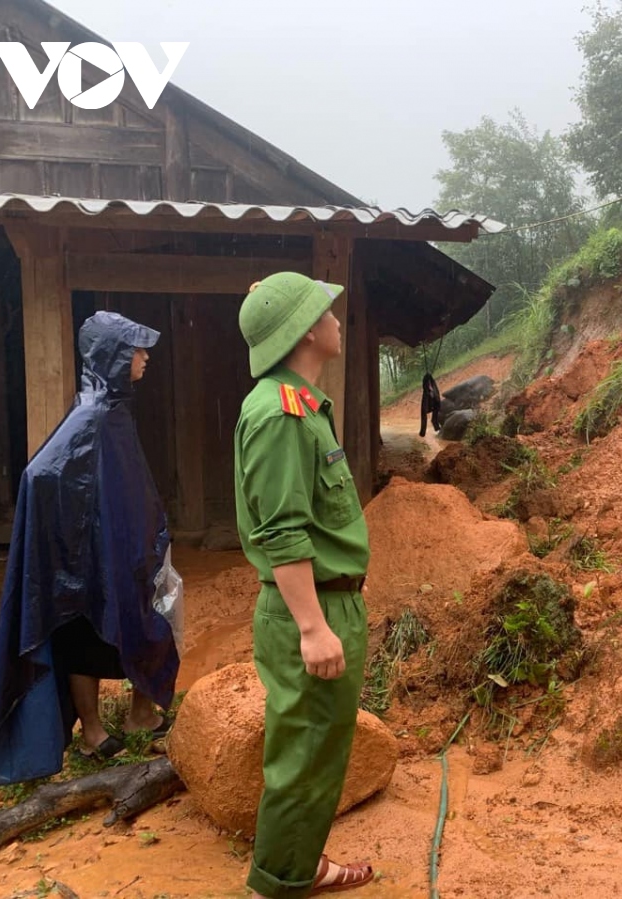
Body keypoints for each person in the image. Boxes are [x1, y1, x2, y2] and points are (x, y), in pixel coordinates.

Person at [0, 311, 178, 786]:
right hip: (86, 560)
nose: (145, 357)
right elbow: (41, 473)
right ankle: (91, 733)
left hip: (124, 552)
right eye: (136, 349)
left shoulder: (114, 410)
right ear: (113, 357)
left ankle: (142, 714)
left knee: (149, 621)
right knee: (84, 634)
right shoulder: (91, 414)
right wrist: (73, 536)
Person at [234, 272, 373, 896]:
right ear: (306, 332)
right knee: (303, 761)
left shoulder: (301, 405)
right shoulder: (283, 415)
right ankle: (281, 882)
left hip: (325, 601)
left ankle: (301, 864)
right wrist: (314, 626)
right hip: (307, 615)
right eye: (326, 311)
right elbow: (284, 531)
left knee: (317, 754)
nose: (337, 320)